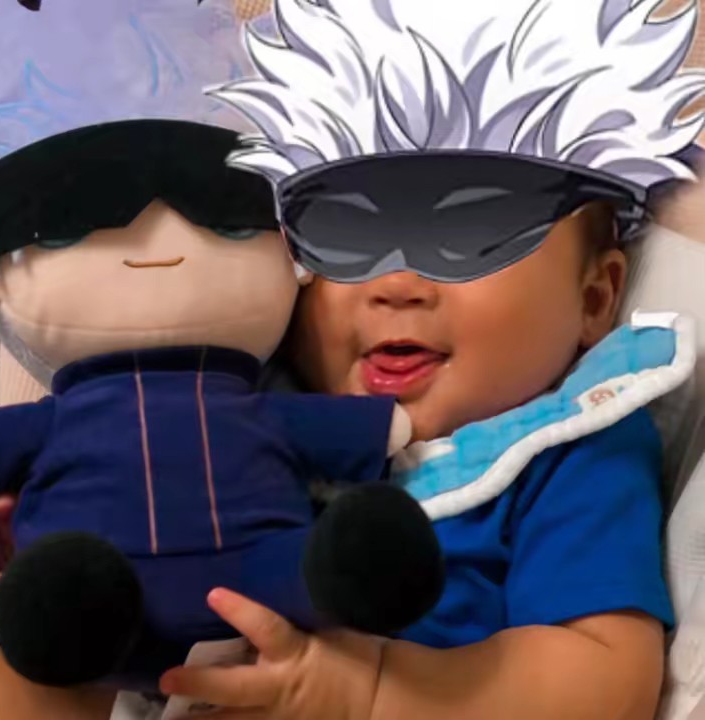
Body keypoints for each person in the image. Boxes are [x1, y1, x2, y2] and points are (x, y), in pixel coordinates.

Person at [145, 1, 705, 719]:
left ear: (594, 300)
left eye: (469, 231)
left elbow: (607, 677)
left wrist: (372, 690)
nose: (396, 285)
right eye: (345, 232)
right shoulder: (242, 411)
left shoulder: (564, 451)